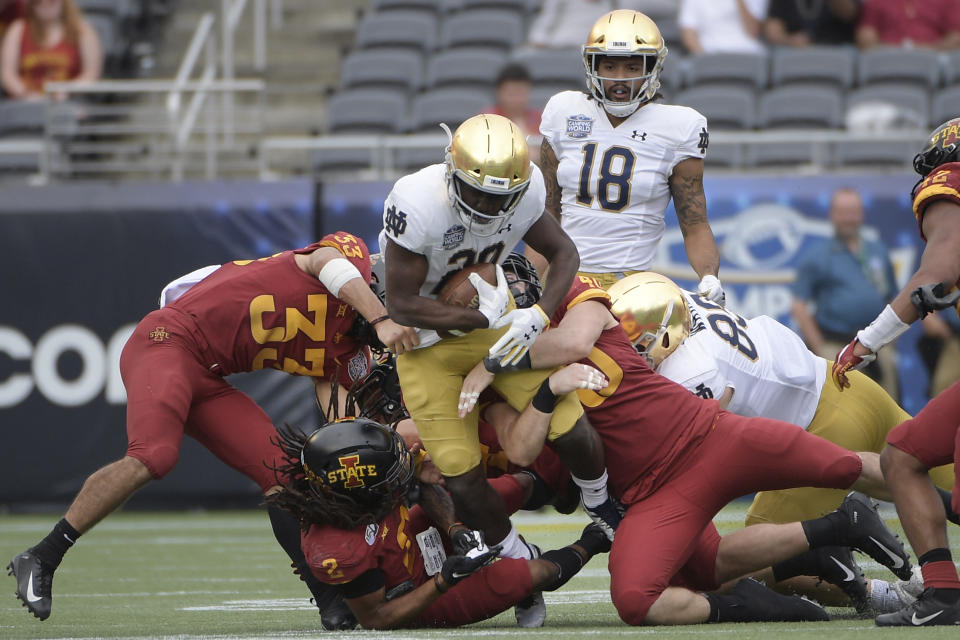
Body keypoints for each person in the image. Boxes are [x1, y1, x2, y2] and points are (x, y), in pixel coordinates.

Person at [459, 259, 915, 626]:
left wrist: (495, 363)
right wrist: (542, 387)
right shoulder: (512, 375)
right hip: (654, 490)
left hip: (710, 434)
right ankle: (832, 535)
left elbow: (572, 331)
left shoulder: (584, 305)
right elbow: (525, 448)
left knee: (849, 468)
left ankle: (924, 563)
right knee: (661, 587)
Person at [6, 231, 419, 627]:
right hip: (168, 341)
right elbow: (324, 261)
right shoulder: (351, 262)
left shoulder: (347, 351)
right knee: (154, 456)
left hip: (207, 374)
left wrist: (381, 447)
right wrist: (380, 317)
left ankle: (330, 603)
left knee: (286, 474)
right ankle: (43, 556)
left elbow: (341, 430)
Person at [378, 112, 618, 626]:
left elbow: (565, 252)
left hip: (497, 326)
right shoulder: (416, 203)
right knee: (461, 481)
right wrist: (476, 316)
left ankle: (602, 508)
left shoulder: (528, 189)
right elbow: (400, 304)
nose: (488, 206)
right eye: (477, 193)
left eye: (499, 197)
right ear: (450, 171)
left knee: (574, 428)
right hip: (428, 345)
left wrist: (536, 314)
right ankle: (517, 558)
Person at [608, 271, 957, 614]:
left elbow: (699, 463)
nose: (627, 355)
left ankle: (893, 594)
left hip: (820, 426)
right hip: (847, 385)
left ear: (664, 335)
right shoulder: (684, 302)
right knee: (949, 486)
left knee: (733, 563)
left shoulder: (689, 373)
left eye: (635, 344)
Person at [265, 413, 611, 630]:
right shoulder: (338, 549)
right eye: (391, 470)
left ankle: (573, 497)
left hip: (417, 545)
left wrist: (454, 528)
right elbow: (377, 618)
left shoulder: (356, 490)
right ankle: (595, 538)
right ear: (358, 486)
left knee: (497, 490)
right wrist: (445, 580)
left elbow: (422, 482)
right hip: (418, 596)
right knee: (532, 573)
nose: (403, 467)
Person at [833, 117, 960, 626]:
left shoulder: (947, 182)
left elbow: (938, 273)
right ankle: (944, 595)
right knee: (904, 453)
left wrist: (867, 341)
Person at [537, 10, 724, 306]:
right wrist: (530, 281)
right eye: (609, 66)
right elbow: (547, 213)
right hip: (565, 275)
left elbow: (695, 224)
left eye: (632, 67)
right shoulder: (564, 111)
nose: (620, 79)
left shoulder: (679, 127)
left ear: (653, 67)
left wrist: (708, 276)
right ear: (592, 64)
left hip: (629, 283)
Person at [792, 187, 900, 400]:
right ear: (832, 215)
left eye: (853, 212)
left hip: (877, 344)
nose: (848, 218)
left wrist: (888, 342)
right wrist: (821, 349)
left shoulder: (878, 251)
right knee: (839, 406)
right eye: (842, 212)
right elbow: (799, 307)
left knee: (889, 404)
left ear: (861, 214)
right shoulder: (817, 256)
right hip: (835, 345)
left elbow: (894, 300)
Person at [1, 0, 101, 101]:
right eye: (38, 1)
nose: (45, 4)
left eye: (52, 1)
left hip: (68, 104)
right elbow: (7, 74)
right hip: (25, 103)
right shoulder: (18, 30)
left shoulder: (81, 31)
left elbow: (91, 75)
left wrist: (68, 90)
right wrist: (26, 94)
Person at [483, 63, 542, 165]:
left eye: (520, 93)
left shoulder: (539, 119)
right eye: (511, 94)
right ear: (499, 92)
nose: (516, 99)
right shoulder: (486, 119)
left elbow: (539, 157)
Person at [855, 0, 960, 50]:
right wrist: (895, 51)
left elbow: (956, 37)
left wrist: (926, 50)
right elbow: (865, 39)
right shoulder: (877, 1)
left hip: (935, 58)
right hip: (887, 58)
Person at [679, 0, 768, 54]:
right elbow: (689, 36)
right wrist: (706, 59)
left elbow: (754, 31)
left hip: (747, 52)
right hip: (710, 52)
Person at [764, 0, 861, 46]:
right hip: (794, 51)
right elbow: (772, 30)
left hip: (835, 48)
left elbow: (849, 13)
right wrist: (789, 41)